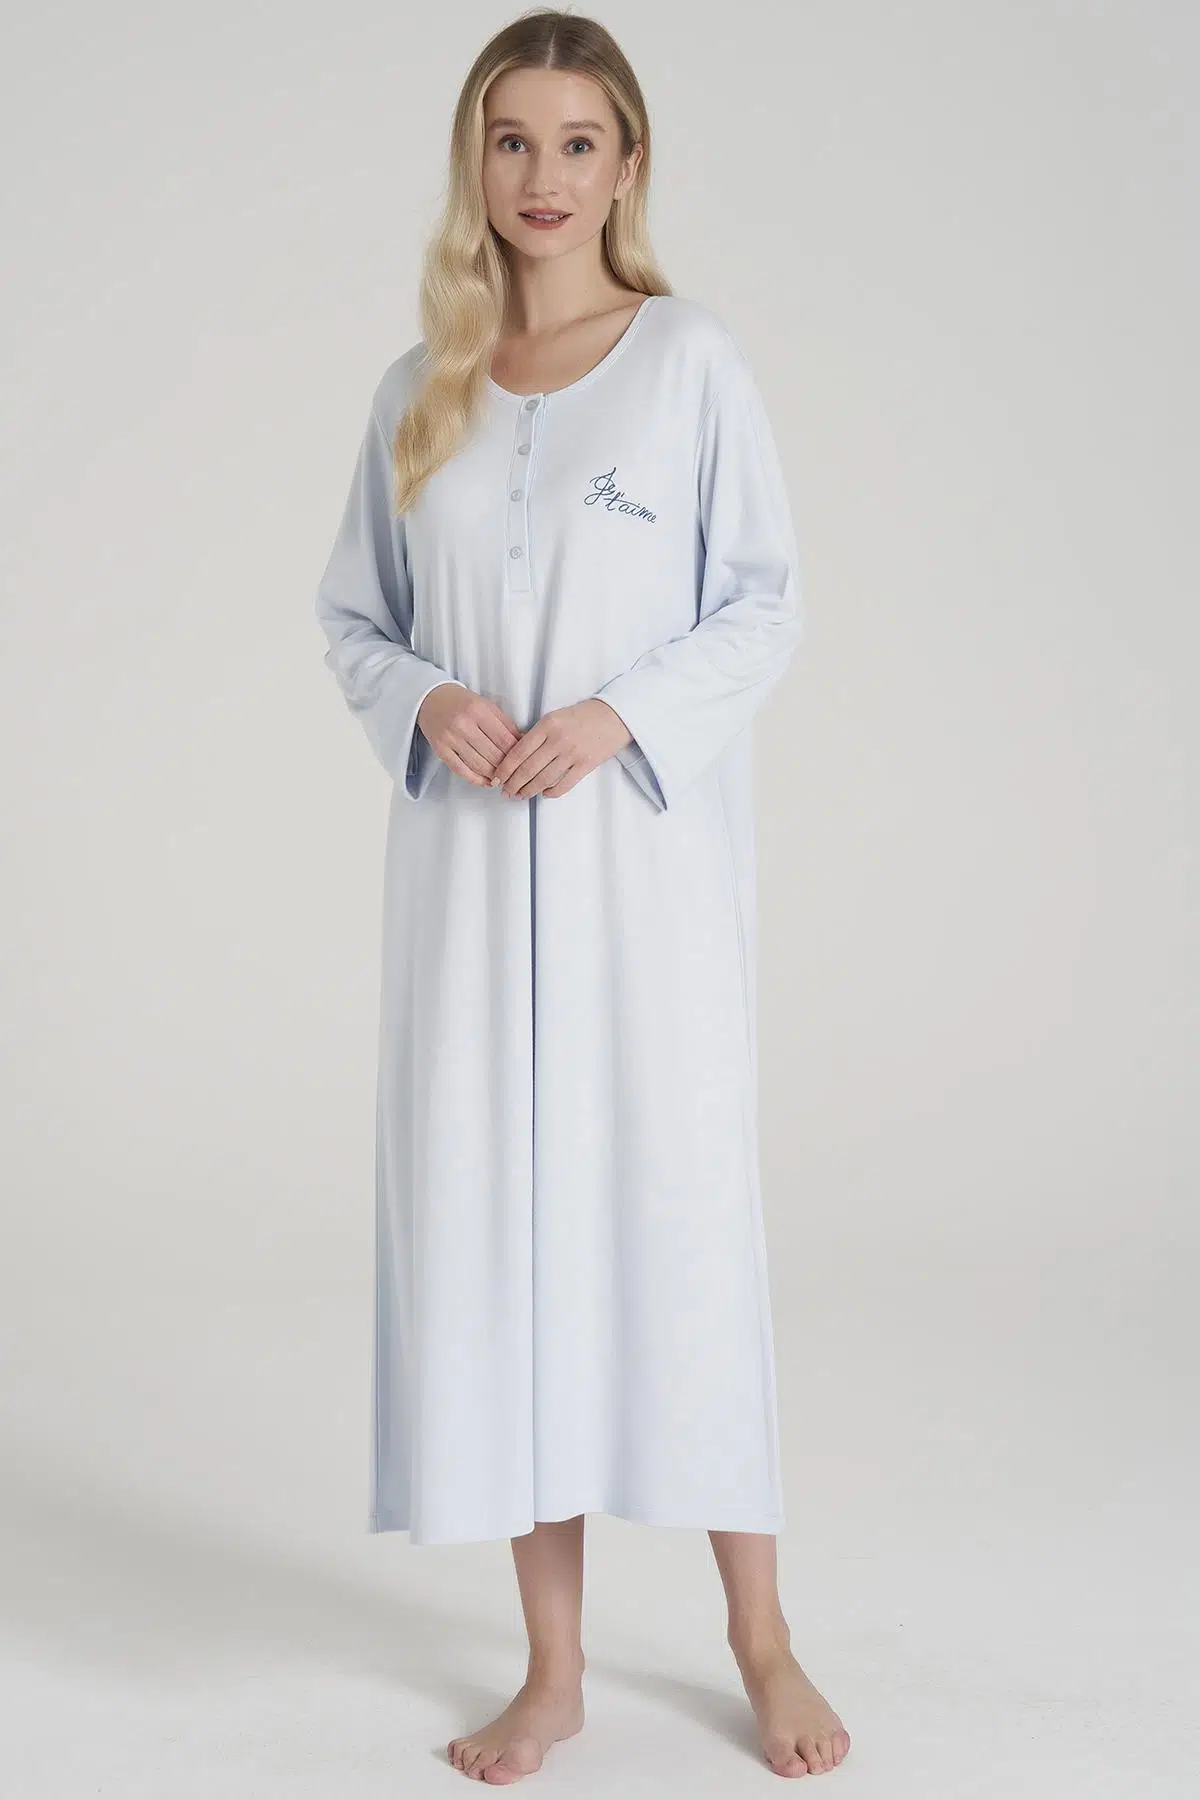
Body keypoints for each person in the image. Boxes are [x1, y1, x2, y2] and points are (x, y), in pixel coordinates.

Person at [313, 8, 850, 1785]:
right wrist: (425, 699)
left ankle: (759, 1636)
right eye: (512, 140)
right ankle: (552, 1671)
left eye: (577, 142)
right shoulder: (424, 387)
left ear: (628, 166)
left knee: (676, 1229)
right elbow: (354, 616)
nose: (542, 176)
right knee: (502, 1252)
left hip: (642, 886)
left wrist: (620, 715)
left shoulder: (688, 363)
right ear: (474, 162)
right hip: (470, 894)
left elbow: (761, 599)